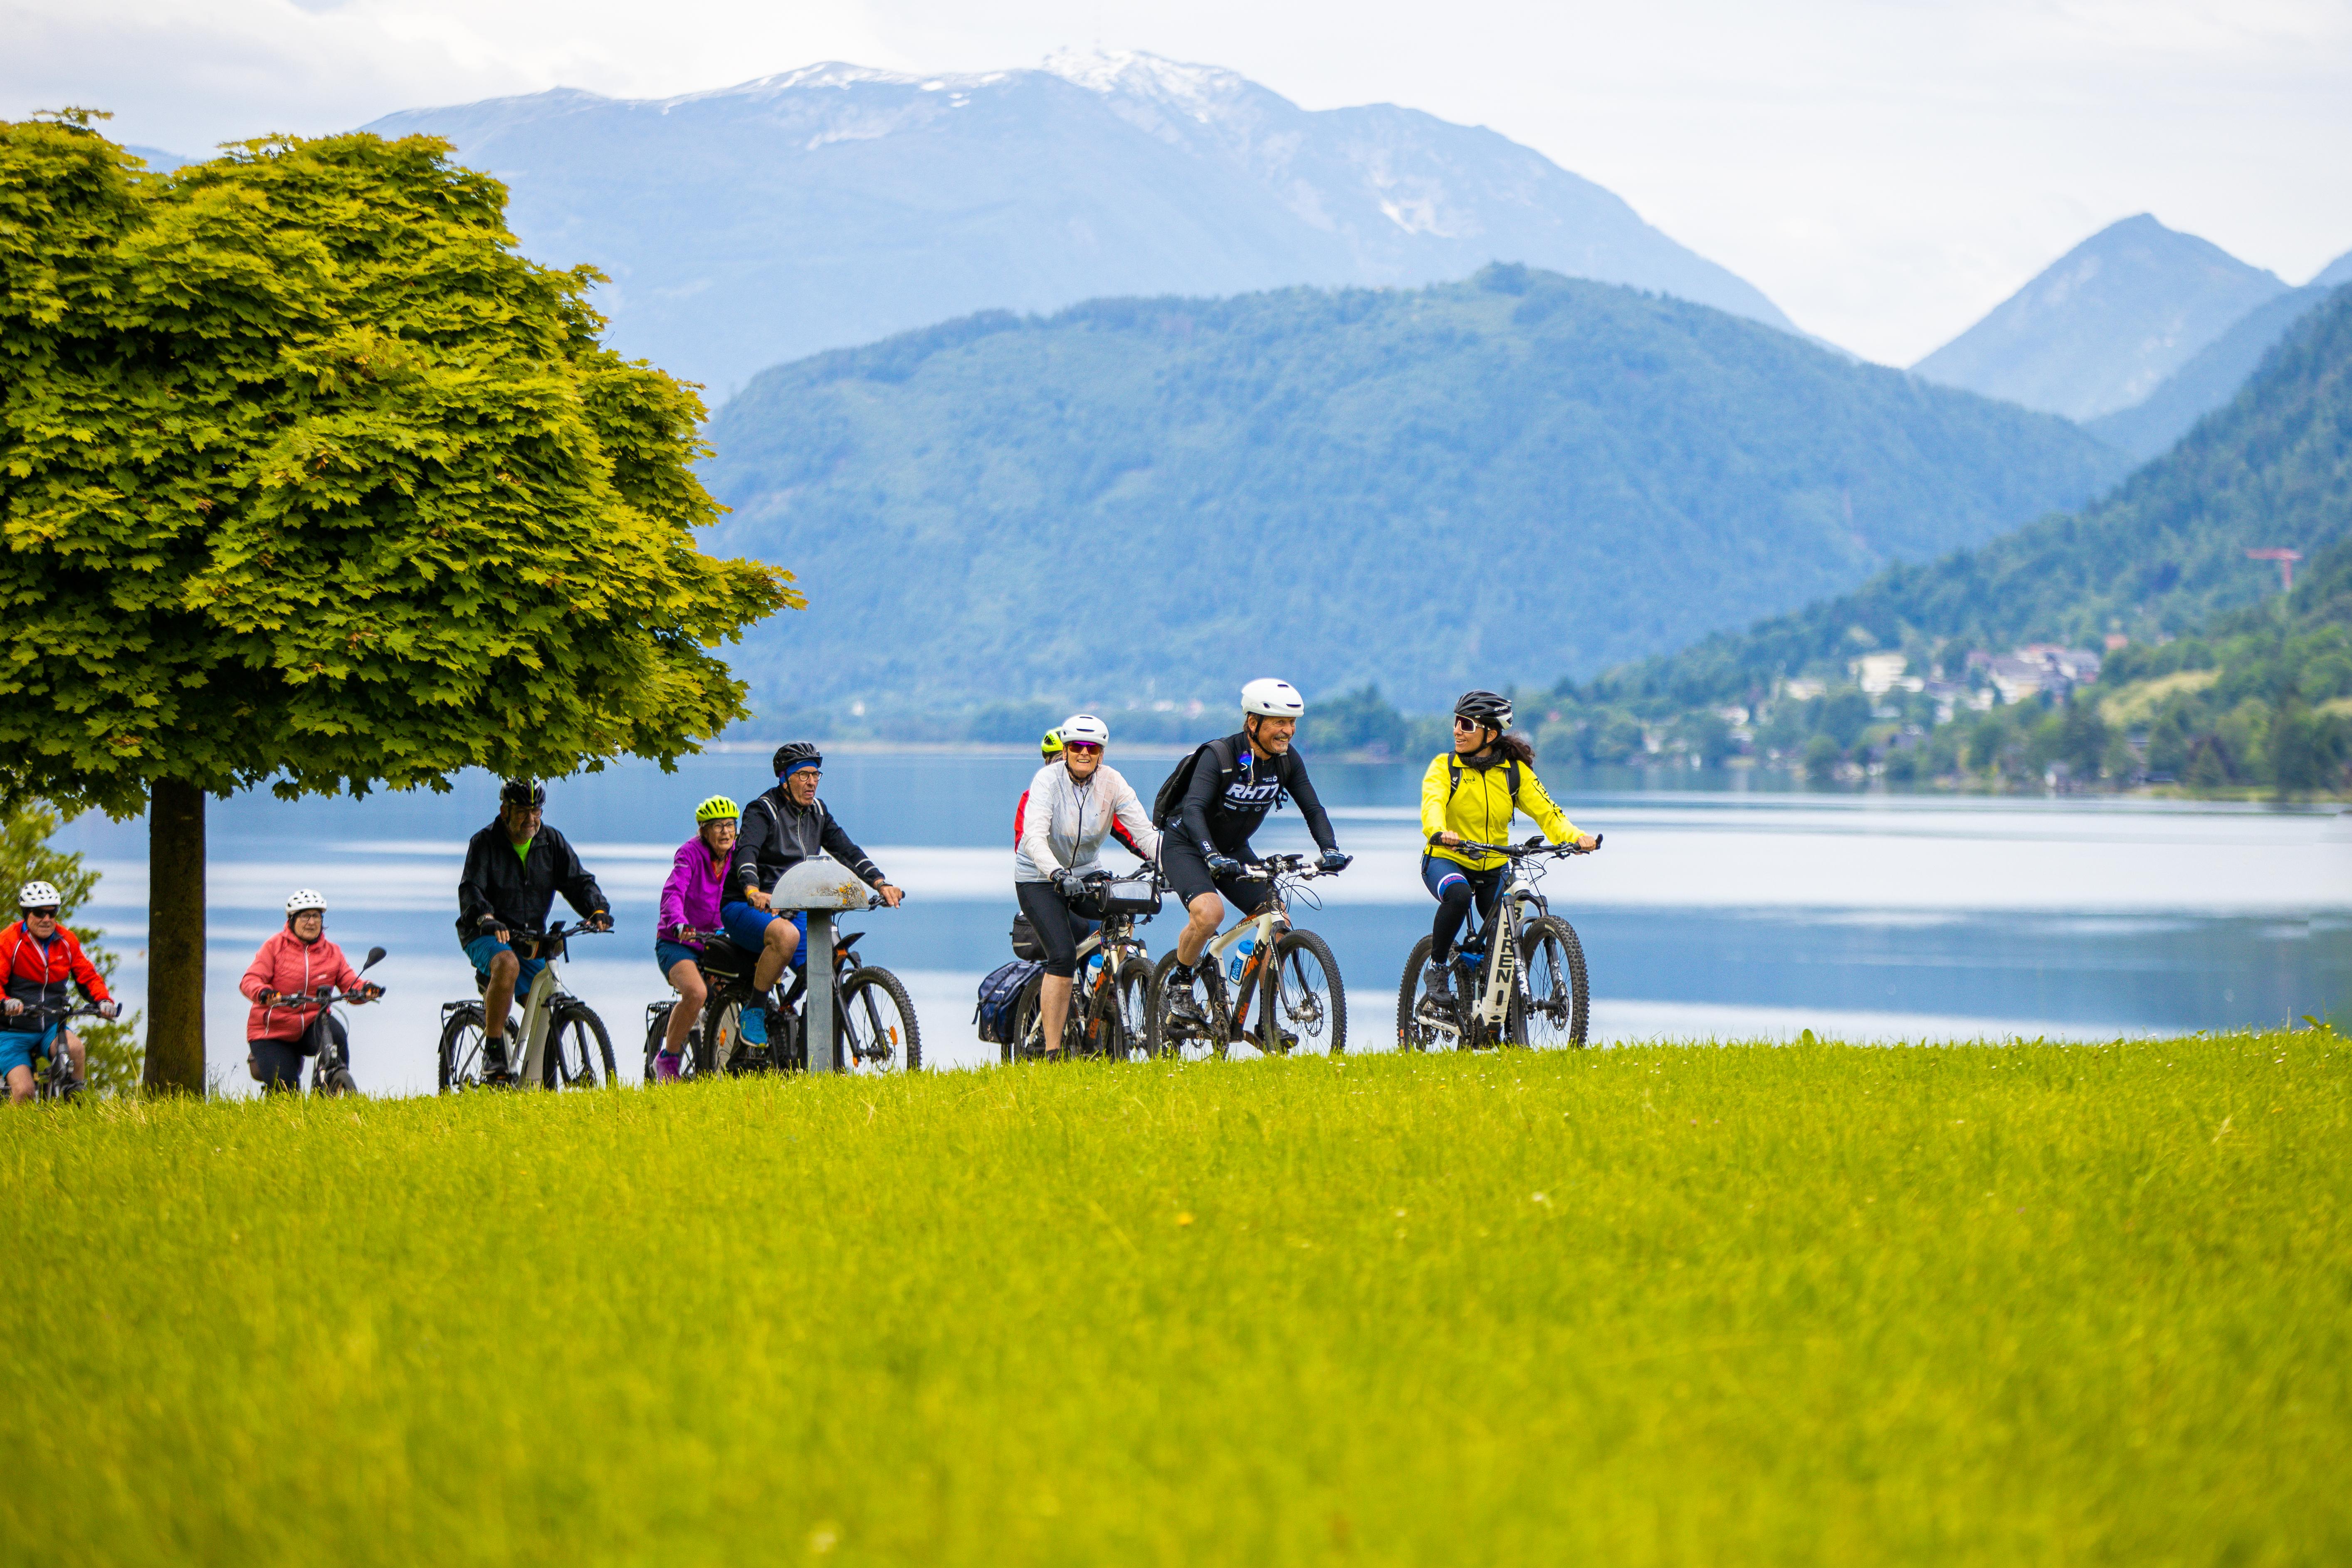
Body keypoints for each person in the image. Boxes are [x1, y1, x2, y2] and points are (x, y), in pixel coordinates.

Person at [1159, 679, 1350, 1023]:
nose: (1288, 730)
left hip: (1233, 850)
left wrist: (1330, 849)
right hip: (1186, 844)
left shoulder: (1287, 761)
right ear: (1253, 723)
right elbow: (1193, 810)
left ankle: (1267, 1022)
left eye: (1292, 722)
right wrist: (1211, 856)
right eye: (1279, 722)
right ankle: (1181, 982)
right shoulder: (1219, 756)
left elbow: (1313, 808)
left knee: (1278, 922)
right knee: (1209, 913)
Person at [1418, 690, 1598, 1004]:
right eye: (1456, 722)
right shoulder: (1444, 768)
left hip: (1493, 864)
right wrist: (1440, 832)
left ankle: (1496, 1009)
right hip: (1447, 859)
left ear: (1490, 734)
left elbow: (1549, 813)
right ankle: (1438, 966)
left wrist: (1577, 837)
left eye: (1466, 725)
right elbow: (1432, 804)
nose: (1457, 730)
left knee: (1505, 927)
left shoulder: (1514, 773)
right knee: (1459, 895)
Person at [724, 744, 904, 1050]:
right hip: (746, 905)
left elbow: (847, 850)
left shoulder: (818, 812)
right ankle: (754, 1009)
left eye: (816, 775)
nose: (812, 782)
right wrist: (753, 890)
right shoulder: (762, 810)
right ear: (785, 779)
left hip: (796, 907)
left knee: (827, 965)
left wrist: (880, 883)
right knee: (787, 936)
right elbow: (747, 853)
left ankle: (810, 1041)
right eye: (803, 775)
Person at [1014, 713, 1160, 1054]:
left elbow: (1145, 834)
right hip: (1039, 877)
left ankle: (1101, 998)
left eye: (1092, 748)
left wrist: (1175, 866)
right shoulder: (1047, 780)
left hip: (1086, 872)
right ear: (1066, 750)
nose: (1084, 752)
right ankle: (1053, 1052)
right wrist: (1057, 874)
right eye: (1077, 746)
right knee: (1063, 955)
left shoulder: (1112, 782)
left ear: (1101, 754)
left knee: (1121, 919)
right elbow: (1033, 838)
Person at [456, 778, 613, 1084]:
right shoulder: (485, 842)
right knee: (507, 964)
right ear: (505, 811)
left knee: (543, 1004)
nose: (531, 819)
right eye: (522, 812)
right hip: (484, 932)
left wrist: (596, 909)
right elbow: (471, 889)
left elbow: (578, 881)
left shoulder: (551, 841)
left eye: (536, 811)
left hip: (528, 937)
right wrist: (486, 916)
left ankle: (536, 1078)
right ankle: (493, 1051)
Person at [239, 889, 381, 1093]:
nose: (312, 922)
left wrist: (365, 989)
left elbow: (349, 982)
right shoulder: (274, 946)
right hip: (273, 1031)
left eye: (316, 916)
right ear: (292, 920)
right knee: (286, 1091)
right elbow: (250, 980)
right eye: (305, 916)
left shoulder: (332, 952)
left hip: (312, 1022)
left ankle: (334, 1083)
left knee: (337, 1034)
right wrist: (264, 993)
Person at [1, 881, 120, 1104]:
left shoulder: (67, 940)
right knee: (25, 1092)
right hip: (11, 1031)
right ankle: (16, 1123)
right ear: (26, 914)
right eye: (40, 913)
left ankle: (73, 1105)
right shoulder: (9, 941)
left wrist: (103, 1000)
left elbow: (87, 975)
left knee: (76, 1049)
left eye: (52, 912)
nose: (47, 919)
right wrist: (6, 1002)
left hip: (51, 1028)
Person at [652, 795, 738, 1082]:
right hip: (678, 942)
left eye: (730, 825)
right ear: (704, 830)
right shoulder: (689, 853)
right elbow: (674, 891)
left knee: (737, 992)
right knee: (697, 993)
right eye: (718, 826)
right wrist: (678, 922)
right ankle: (668, 1059)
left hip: (716, 942)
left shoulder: (738, 855)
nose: (725, 832)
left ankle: (726, 1064)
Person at [1017, 724, 1148, 861]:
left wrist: (1155, 859)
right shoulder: (1031, 797)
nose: (1061, 768)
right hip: (1043, 869)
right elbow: (1026, 843)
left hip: (1085, 868)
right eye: (1055, 763)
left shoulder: (1100, 796)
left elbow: (1128, 832)